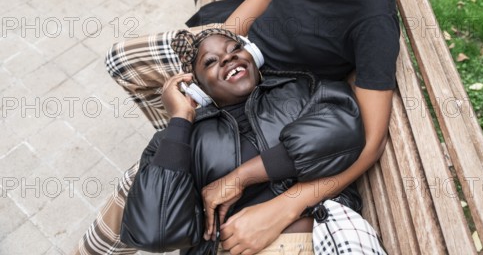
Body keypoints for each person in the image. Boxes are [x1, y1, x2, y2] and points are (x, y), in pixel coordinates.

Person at [74, 0, 399, 254]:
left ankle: (196, 148)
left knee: (141, 186)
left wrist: (284, 205)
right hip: (236, 59)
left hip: (273, 100)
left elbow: (371, 139)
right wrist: (218, 42)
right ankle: (197, 126)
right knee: (124, 61)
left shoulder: (372, 19)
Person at [120, 28, 364, 254]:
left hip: (313, 237)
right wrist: (180, 120)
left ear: (253, 56)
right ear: (198, 90)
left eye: (234, 49)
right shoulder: (184, 140)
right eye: (210, 62)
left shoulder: (298, 88)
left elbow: (341, 128)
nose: (227, 59)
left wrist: (242, 177)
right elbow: (155, 231)